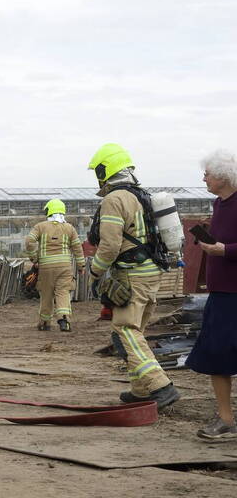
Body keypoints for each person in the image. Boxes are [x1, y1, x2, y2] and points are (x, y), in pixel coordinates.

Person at [87, 143, 179, 410]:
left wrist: (95, 270)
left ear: (107, 169)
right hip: (150, 273)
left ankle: (160, 385)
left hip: (131, 275)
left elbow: (110, 244)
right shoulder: (141, 195)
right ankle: (140, 390)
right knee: (136, 331)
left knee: (126, 330)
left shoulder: (115, 199)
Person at [185, 149, 237, 440]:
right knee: (218, 355)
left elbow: (229, 245)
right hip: (221, 293)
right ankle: (226, 419)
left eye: (208, 173)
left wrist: (224, 250)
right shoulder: (219, 204)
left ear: (224, 176)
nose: (204, 177)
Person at [25, 198, 85, 332]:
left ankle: (45, 322)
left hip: (46, 268)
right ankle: (64, 320)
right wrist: (82, 266)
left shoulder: (40, 226)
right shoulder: (69, 228)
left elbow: (29, 241)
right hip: (65, 267)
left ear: (49, 211)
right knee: (63, 292)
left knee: (46, 294)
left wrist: (34, 259)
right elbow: (77, 248)